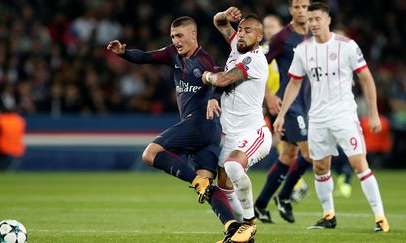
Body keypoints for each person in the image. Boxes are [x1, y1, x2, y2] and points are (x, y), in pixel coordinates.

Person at [106, 16, 251, 242]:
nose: (176, 41)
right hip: (209, 133)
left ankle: (197, 182)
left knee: (150, 154)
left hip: (199, 124)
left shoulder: (203, 59)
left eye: (180, 36)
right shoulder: (172, 54)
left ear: (193, 35)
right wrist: (125, 53)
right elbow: (146, 57)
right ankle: (234, 228)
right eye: (173, 36)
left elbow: (219, 76)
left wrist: (214, 98)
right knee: (206, 186)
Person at [274, 2, 390, 232]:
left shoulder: (347, 46)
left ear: (328, 20)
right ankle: (328, 215)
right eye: (310, 20)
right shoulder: (304, 50)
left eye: (318, 19)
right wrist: (281, 115)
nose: (314, 23)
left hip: (344, 115)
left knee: (359, 164)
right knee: (320, 167)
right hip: (317, 117)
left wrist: (373, 113)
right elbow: (294, 83)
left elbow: (366, 78)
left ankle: (380, 218)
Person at [203, 7, 272, 242]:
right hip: (231, 133)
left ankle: (249, 223)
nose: (241, 34)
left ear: (259, 37)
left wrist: (207, 76)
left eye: (248, 31)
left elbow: (221, 79)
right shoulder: (236, 45)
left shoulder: (255, 59)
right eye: (240, 29)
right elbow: (218, 22)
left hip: (255, 132)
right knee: (223, 182)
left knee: (233, 166)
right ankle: (242, 235)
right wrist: (225, 15)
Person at [254, 0, 313, 224]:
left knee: (288, 155)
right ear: (291, 10)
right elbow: (258, 67)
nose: (301, 11)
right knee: (309, 154)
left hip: (310, 103)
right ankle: (285, 196)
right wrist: (268, 96)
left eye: (305, 7)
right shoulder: (282, 38)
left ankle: (260, 204)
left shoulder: (314, 35)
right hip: (290, 104)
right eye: (297, 7)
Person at [0, 103, 26, 171]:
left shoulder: (0, 120)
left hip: (3, 148)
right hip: (17, 148)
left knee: (0, 165)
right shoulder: (19, 119)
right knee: (9, 166)